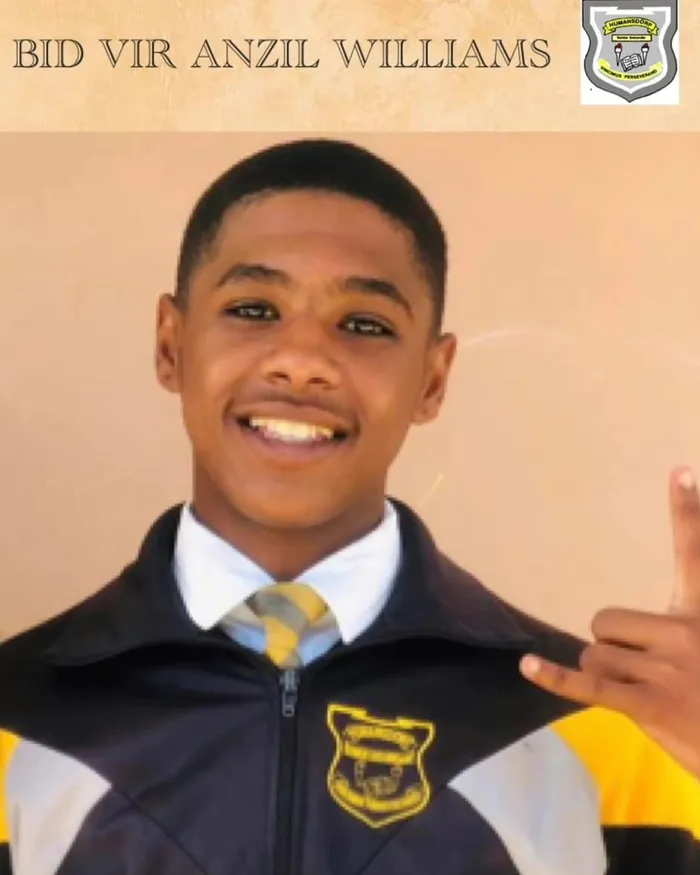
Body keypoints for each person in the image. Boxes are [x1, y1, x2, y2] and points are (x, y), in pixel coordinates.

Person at [0, 138, 698, 875]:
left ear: (432, 378)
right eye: (252, 308)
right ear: (170, 345)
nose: (302, 360)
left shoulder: (603, 730)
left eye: (365, 324)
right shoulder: (17, 720)